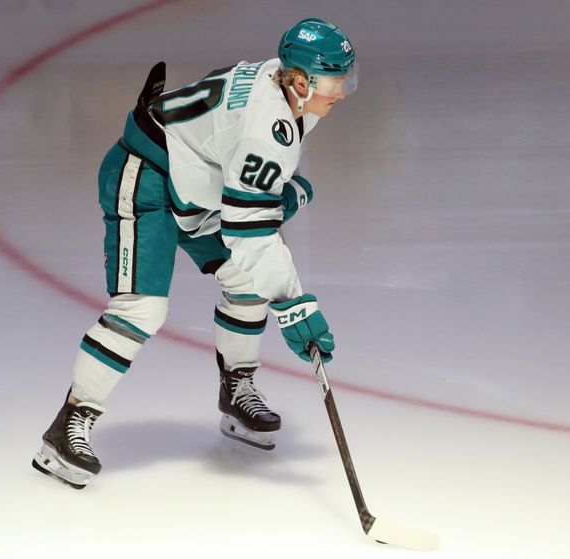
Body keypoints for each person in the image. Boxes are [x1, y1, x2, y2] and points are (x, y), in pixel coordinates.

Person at [32, 17, 357, 489]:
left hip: (194, 186)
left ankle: (235, 387)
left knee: (247, 284)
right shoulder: (268, 127)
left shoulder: (282, 81)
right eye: (336, 80)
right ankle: (68, 425)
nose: (343, 91)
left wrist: (269, 200)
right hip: (146, 177)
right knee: (140, 309)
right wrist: (294, 303)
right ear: (303, 82)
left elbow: (238, 173)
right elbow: (252, 231)